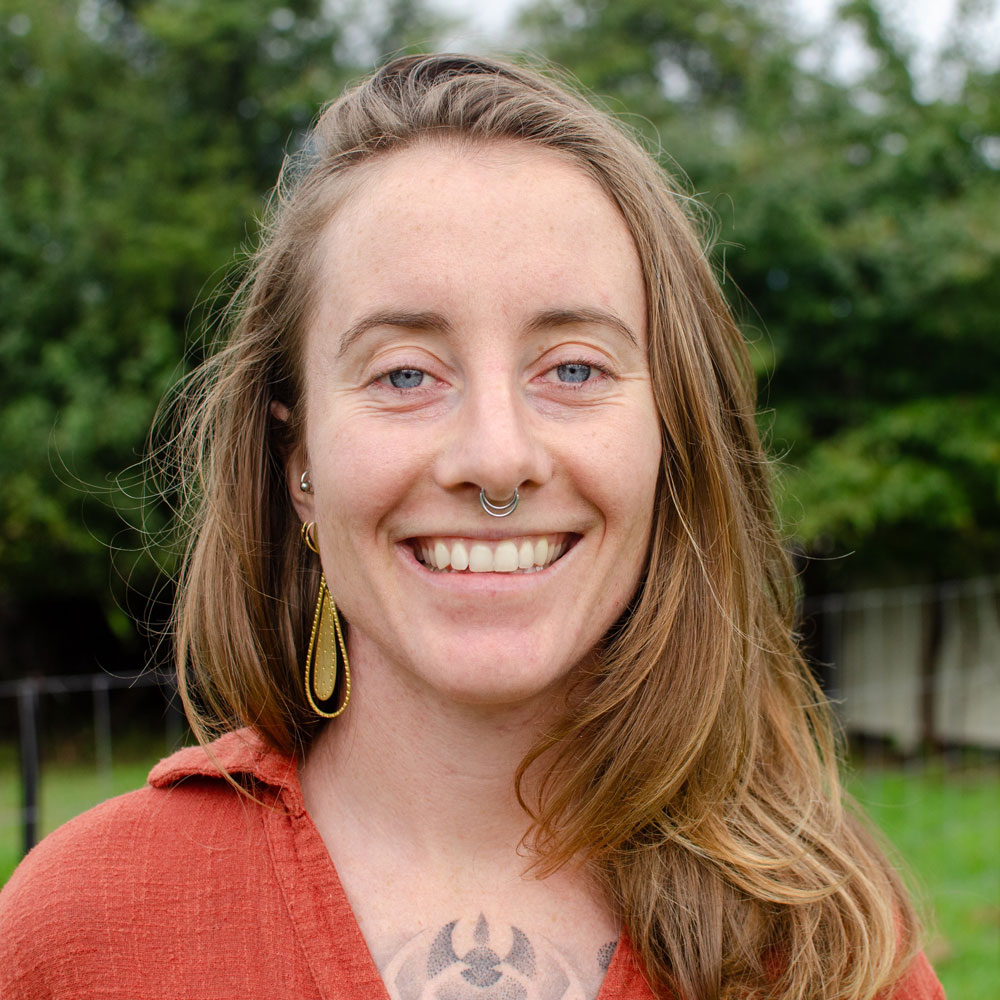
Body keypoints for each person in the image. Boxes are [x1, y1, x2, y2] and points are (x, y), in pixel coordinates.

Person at [0, 54, 944, 1000]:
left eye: (573, 369)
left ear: (673, 440)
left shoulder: (830, 951)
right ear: (299, 466)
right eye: (406, 374)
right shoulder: (77, 937)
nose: (497, 459)